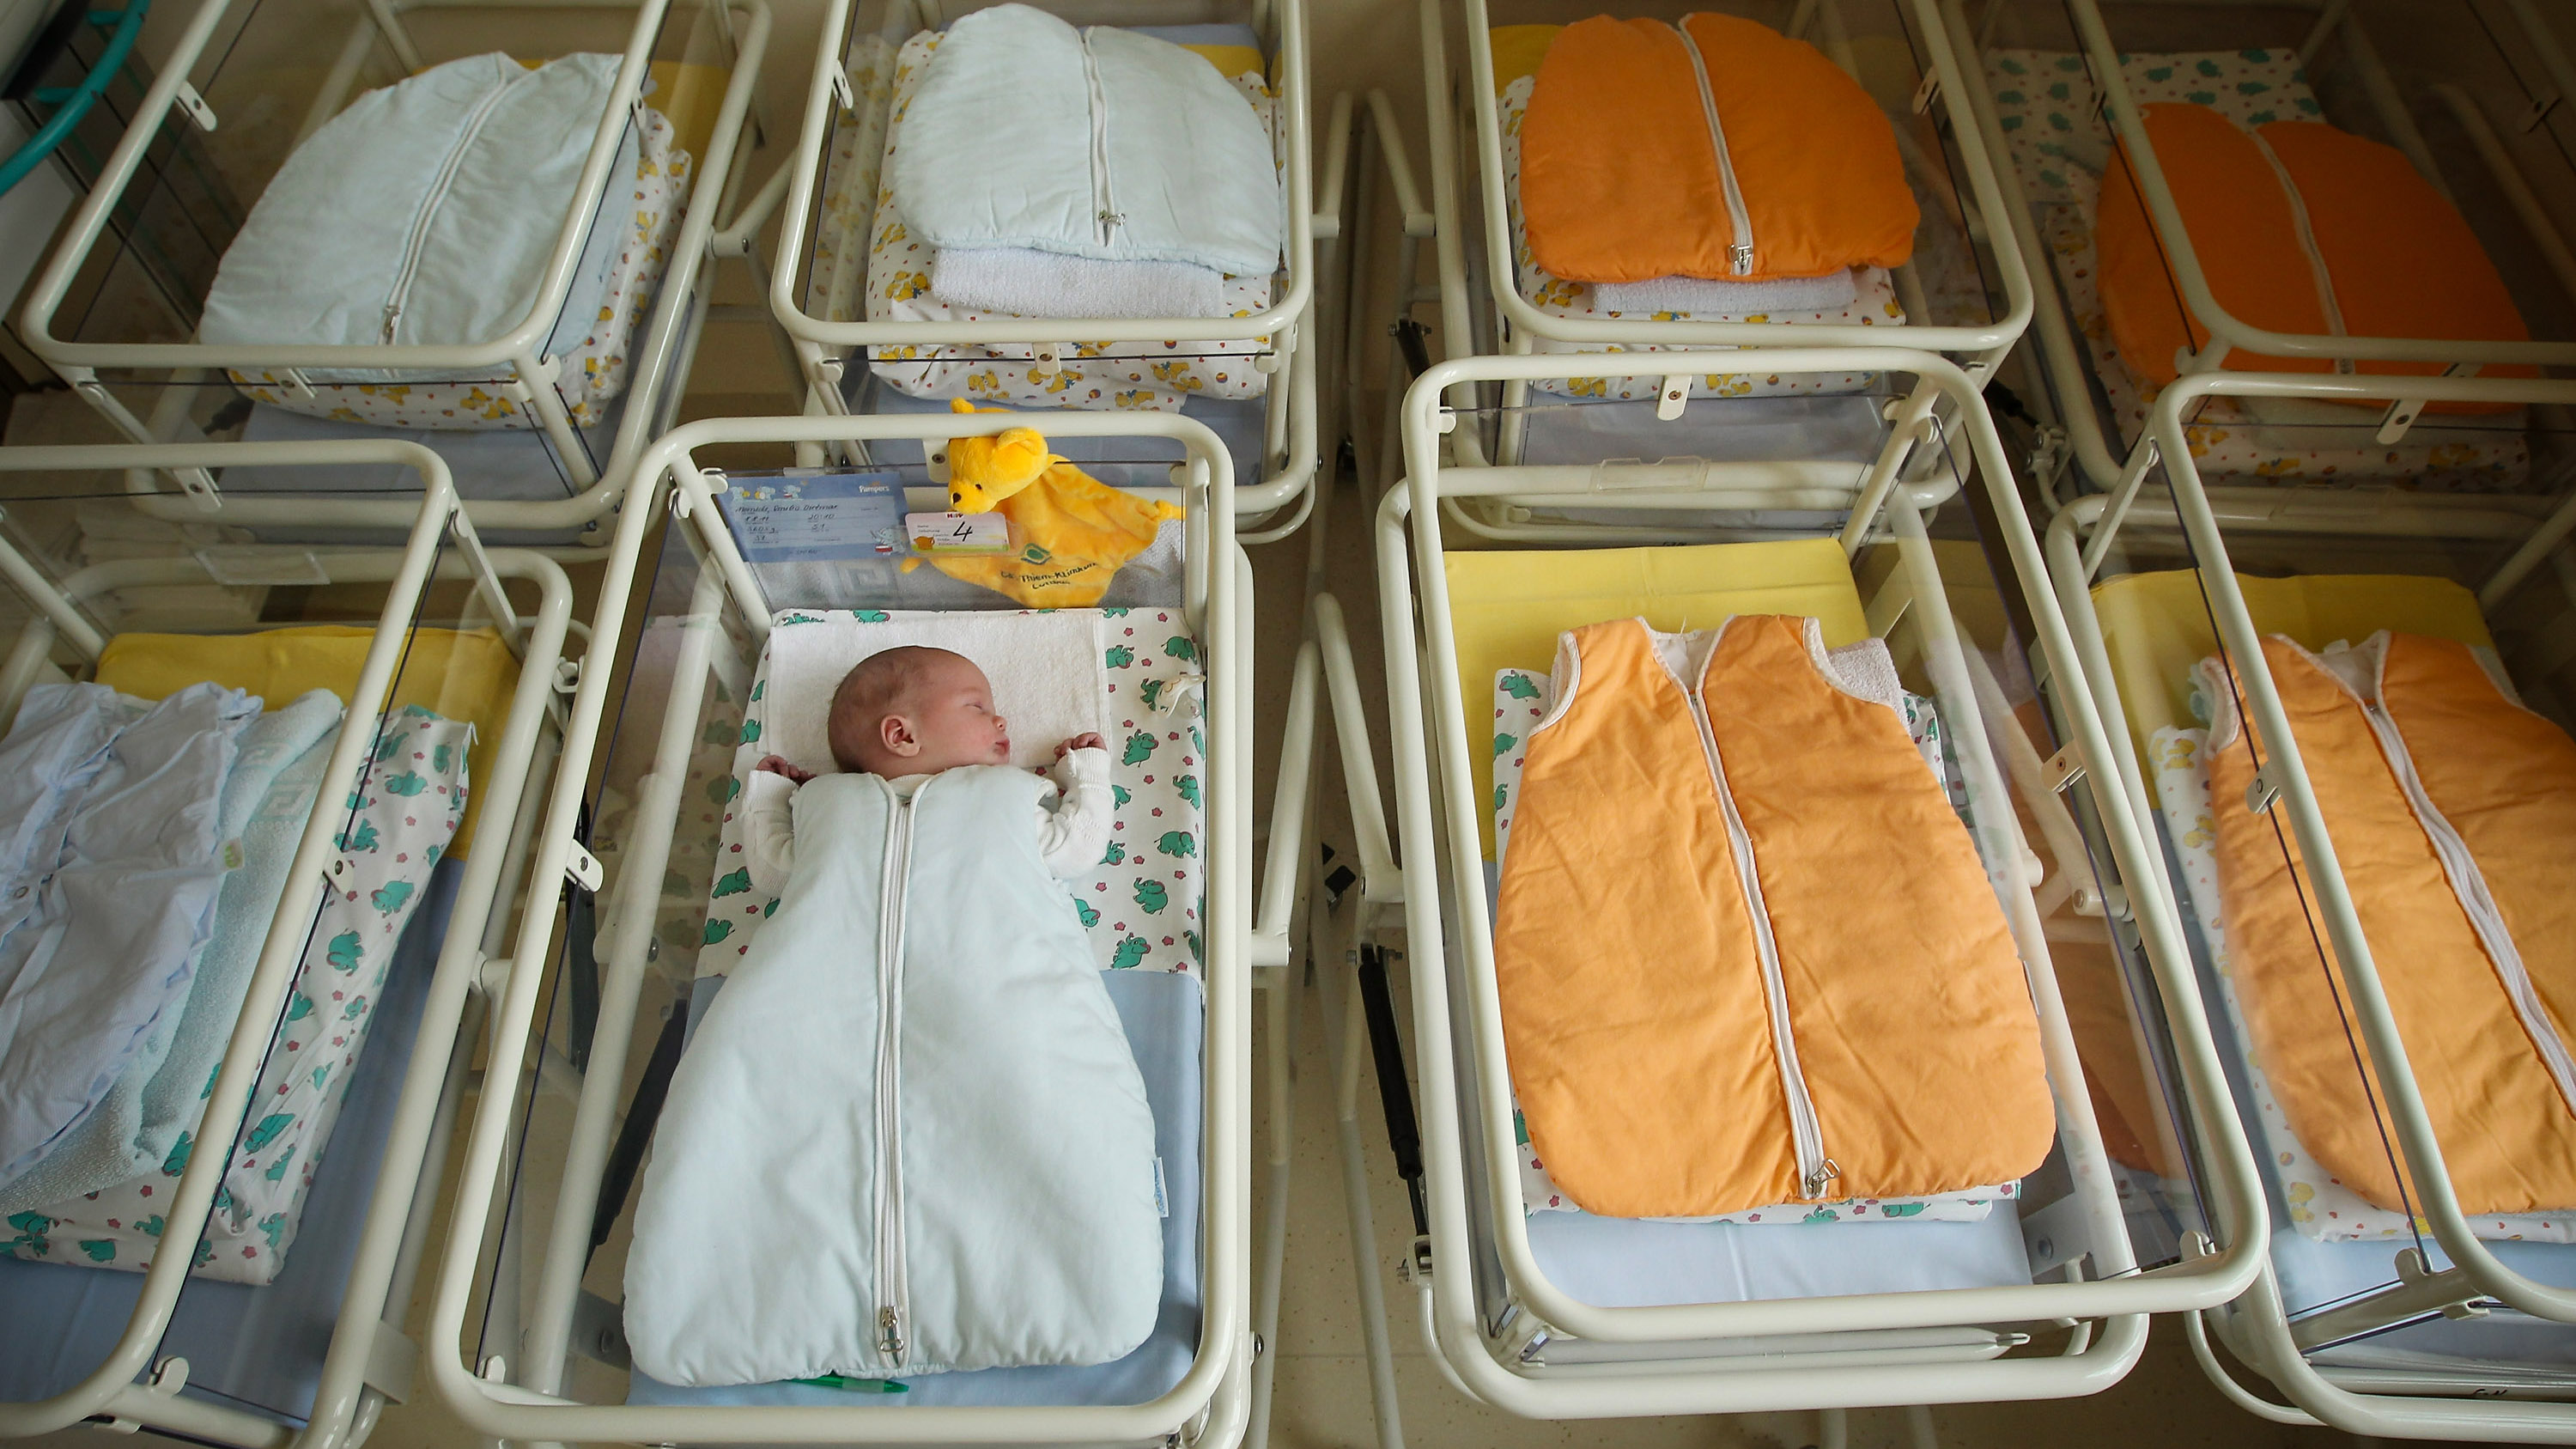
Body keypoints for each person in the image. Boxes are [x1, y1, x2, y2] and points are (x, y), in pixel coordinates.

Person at [740, 645, 1110, 895]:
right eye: (977, 707)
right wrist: (773, 798)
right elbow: (775, 875)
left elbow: (1076, 852)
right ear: (901, 735)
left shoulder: (1000, 796)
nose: (1001, 719)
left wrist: (1084, 773)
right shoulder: (831, 805)